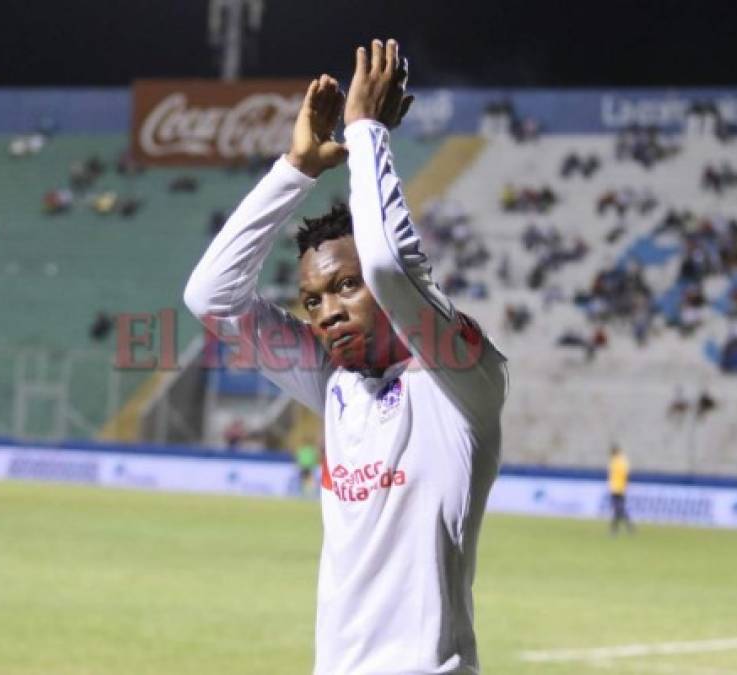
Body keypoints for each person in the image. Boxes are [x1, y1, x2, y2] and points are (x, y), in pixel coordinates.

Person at [184, 39, 507, 674]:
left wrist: (366, 134)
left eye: (344, 287)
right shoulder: (333, 380)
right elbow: (210, 298)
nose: (327, 310)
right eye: (312, 300)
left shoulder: (460, 378)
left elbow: (389, 264)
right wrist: (295, 169)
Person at [608, 444, 635, 535]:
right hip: (618, 488)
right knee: (618, 509)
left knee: (619, 509)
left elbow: (625, 475)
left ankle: (618, 528)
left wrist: (625, 484)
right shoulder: (620, 461)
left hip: (618, 489)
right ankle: (624, 528)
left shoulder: (618, 461)